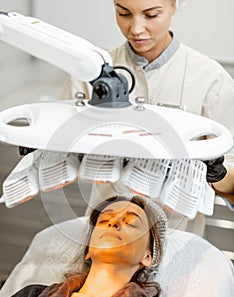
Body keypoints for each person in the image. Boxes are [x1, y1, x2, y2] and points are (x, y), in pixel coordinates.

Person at [61, 0, 234, 235]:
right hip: (106, 234)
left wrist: (217, 173)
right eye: (123, 13)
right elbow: (63, 145)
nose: (136, 29)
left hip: (177, 236)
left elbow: (232, 184)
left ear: (175, 6)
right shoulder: (90, 73)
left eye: (151, 15)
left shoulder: (212, 81)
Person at [0, 195, 202, 297]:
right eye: (105, 221)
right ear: (88, 249)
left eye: (131, 222)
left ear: (147, 257)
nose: (114, 223)